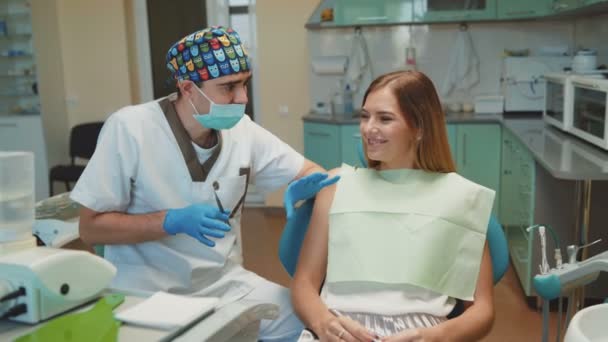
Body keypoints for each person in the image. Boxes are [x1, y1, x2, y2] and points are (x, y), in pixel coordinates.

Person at [70, 26, 336, 341]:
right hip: (145, 295)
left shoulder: (243, 131)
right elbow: (91, 228)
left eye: (245, 84)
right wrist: (170, 221)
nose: (242, 99)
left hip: (227, 285)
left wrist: (309, 185)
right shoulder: (130, 129)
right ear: (188, 88)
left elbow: (312, 172)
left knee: (317, 325)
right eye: (228, 87)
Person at [291, 70, 496, 341]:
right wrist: (324, 323)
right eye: (364, 116)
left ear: (419, 127)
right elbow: (304, 283)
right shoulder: (336, 186)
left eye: (385, 118)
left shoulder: (460, 198)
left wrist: (434, 336)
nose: (368, 128)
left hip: (423, 333)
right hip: (339, 328)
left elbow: (482, 310)